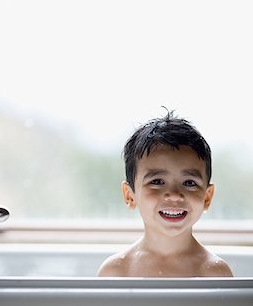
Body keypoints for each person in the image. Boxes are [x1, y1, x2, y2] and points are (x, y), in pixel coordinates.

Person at [97, 109, 233, 277]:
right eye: (157, 182)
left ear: (207, 197)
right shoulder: (117, 271)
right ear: (129, 195)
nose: (175, 194)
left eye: (189, 183)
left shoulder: (214, 272)